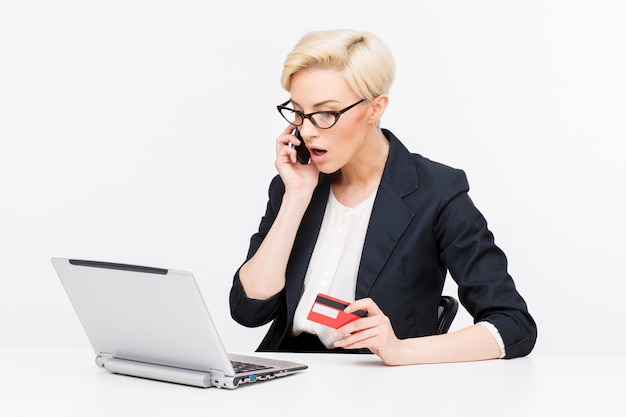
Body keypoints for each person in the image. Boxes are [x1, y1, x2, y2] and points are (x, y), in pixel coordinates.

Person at [229, 29, 537, 365]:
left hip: (379, 386)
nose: (307, 130)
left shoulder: (437, 191)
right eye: (299, 113)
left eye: (326, 113)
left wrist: (402, 350)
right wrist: (296, 196)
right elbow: (249, 310)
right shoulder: (295, 185)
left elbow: (513, 325)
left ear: (376, 108)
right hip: (287, 375)